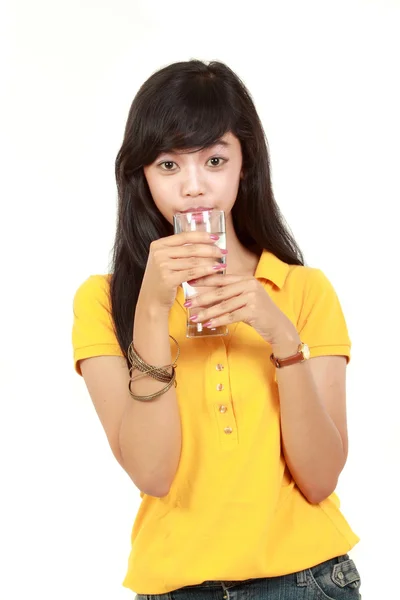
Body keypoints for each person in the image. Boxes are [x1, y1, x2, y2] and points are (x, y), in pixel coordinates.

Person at [72, 60, 362, 599]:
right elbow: (152, 474)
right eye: (168, 165)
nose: (194, 187)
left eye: (214, 160)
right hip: (177, 587)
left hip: (307, 581)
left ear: (244, 166)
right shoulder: (104, 301)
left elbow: (320, 479)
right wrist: (154, 310)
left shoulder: (302, 290)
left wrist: (282, 341)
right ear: (141, 175)